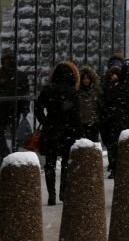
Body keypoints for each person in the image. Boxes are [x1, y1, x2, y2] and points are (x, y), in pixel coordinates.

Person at [35, 62, 82, 205]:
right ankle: (63, 191)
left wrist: (44, 120)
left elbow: (38, 107)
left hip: (51, 128)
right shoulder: (72, 92)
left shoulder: (48, 90)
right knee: (66, 163)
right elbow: (75, 114)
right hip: (67, 130)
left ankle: (51, 194)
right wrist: (78, 131)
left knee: (50, 163)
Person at [0, 51, 29, 158]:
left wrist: (25, 107)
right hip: (5, 108)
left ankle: (13, 155)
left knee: (15, 135)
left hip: (14, 108)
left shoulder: (19, 76)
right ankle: (6, 154)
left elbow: (25, 92)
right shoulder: (2, 74)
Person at [77, 66, 103, 142]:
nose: (86, 80)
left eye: (88, 78)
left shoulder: (97, 91)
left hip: (93, 123)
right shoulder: (78, 92)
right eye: (84, 78)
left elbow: (100, 106)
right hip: (81, 123)